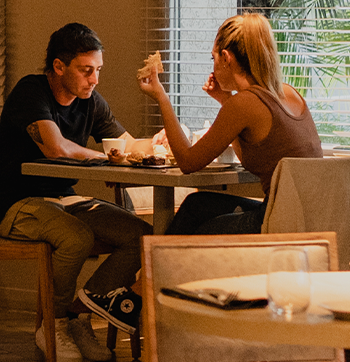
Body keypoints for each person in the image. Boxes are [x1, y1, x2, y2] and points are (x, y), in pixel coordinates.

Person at [0, 21, 145, 362]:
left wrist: (154, 146)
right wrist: (107, 157)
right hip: (15, 203)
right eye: (86, 70)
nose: (94, 79)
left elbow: (127, 145)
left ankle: (79, 315)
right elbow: (54, 147)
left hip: (64, 199)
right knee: (76, 237)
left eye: (98, 70)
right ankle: (52, 325)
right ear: (59, 66)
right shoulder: (31, 92)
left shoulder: (91, 101)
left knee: (142, 236)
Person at [138, 12, 322, 235]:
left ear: (226, 58)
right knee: (196, 206)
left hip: (278, 223)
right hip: (308, 219)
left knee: (196, 236)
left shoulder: (244, 103)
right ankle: (160, 265)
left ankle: (159, 265)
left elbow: (187, 162)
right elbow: (253, 157)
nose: (213, 66)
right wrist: (225, 100)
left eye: (213, 58)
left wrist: (162, 98)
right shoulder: (289, 93)